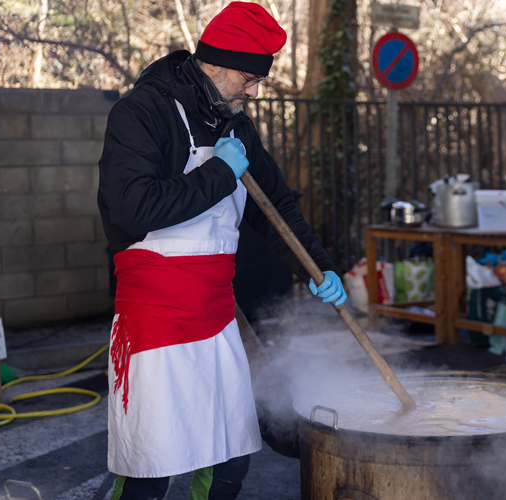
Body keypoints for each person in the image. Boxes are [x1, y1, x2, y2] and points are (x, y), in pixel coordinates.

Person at [96, 3, 346, 499]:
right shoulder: (141, 113)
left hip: (216, 316)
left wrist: (318, 266)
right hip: (155, 320)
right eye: (249, 78)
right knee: (153, 463)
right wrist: (219, 173)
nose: (254, 92)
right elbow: (135, 208)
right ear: (216, 63)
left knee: (230, 456)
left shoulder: (236, 127)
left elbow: (277, 208)